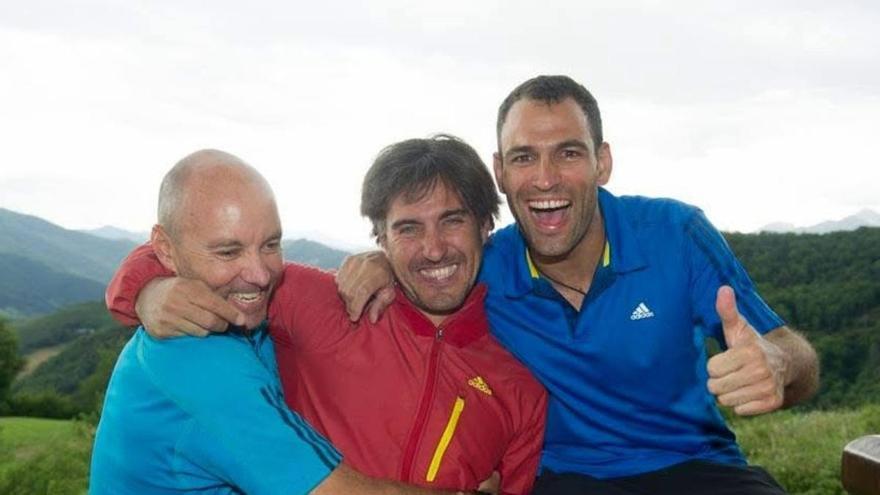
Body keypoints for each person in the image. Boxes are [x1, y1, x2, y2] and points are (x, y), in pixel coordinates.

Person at [335, 76, 820, 494]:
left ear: (601, 162)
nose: (545, 179)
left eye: (567, 153)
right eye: (524, 157)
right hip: (564, 479)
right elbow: (432, 263)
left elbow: (792, 357)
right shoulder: (484, 267)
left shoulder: (676, 234)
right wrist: (384, 262)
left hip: (698, 467)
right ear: (500, 172)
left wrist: (778, 365)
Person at [104, 137, 547, 494]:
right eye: (408, 228)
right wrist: (146, 289)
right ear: (381, 238)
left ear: (486, 226)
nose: (433, 249)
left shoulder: (520, 395)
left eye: (452, 221)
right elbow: (197, 254)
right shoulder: (318, 302)